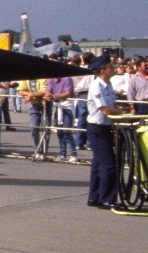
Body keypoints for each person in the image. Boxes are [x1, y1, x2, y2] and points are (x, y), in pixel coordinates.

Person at [85, 56, 119, 209]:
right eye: (111, 66)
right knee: (110, 164)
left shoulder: (108, 85)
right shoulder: (97, 86)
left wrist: (119, 116)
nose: (114, 68)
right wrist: (122, 115)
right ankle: (106, 198)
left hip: (105, 127)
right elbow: (105, 109)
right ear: (103, 70)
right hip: (97, 128)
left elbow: (113, 105)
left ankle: (95, 197)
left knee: (99, 164)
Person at [45, 71, 78, 162]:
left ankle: (73, 154)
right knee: (59, 132)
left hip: (67, 106)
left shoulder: (67, 78)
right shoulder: (51, 79)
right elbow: (48, 90)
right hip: (57, 106)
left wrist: (54, 96)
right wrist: (48, 94)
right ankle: (62, 153)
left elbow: (68, 93)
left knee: (67, 131)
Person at [17, 76, 49, 160]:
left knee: (45, 129)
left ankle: (44, 152)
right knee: (34, 128)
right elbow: (21, 91)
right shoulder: (25, 78)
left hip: (45, 104)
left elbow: (44, 91)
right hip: (34, 104)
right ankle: (38, 150)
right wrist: (31, 95)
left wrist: (33, 94)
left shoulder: (43, 78)